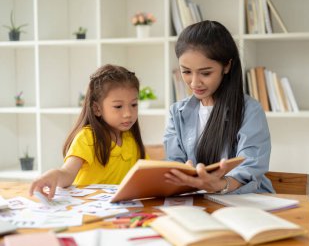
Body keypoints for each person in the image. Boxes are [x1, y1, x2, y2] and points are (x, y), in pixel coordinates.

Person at [164, 20, 274, 194]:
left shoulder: (250, 111)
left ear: (227, 66)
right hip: (195, 202)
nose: (194, 82)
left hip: (243, 202)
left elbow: (250, 166)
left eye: (206, 73)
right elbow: (174, 165)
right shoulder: (177, 113)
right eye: (186, 71)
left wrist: (220, 184)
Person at [29, 64, 146, 199]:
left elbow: (146, 172)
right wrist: (55, 174)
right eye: (118, 106)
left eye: (134, 104)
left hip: (119, 211)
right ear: (97, 109)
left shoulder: (131, 138)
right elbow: (67, 173)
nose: (128, 113)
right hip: (87, 210)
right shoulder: (88, 137)